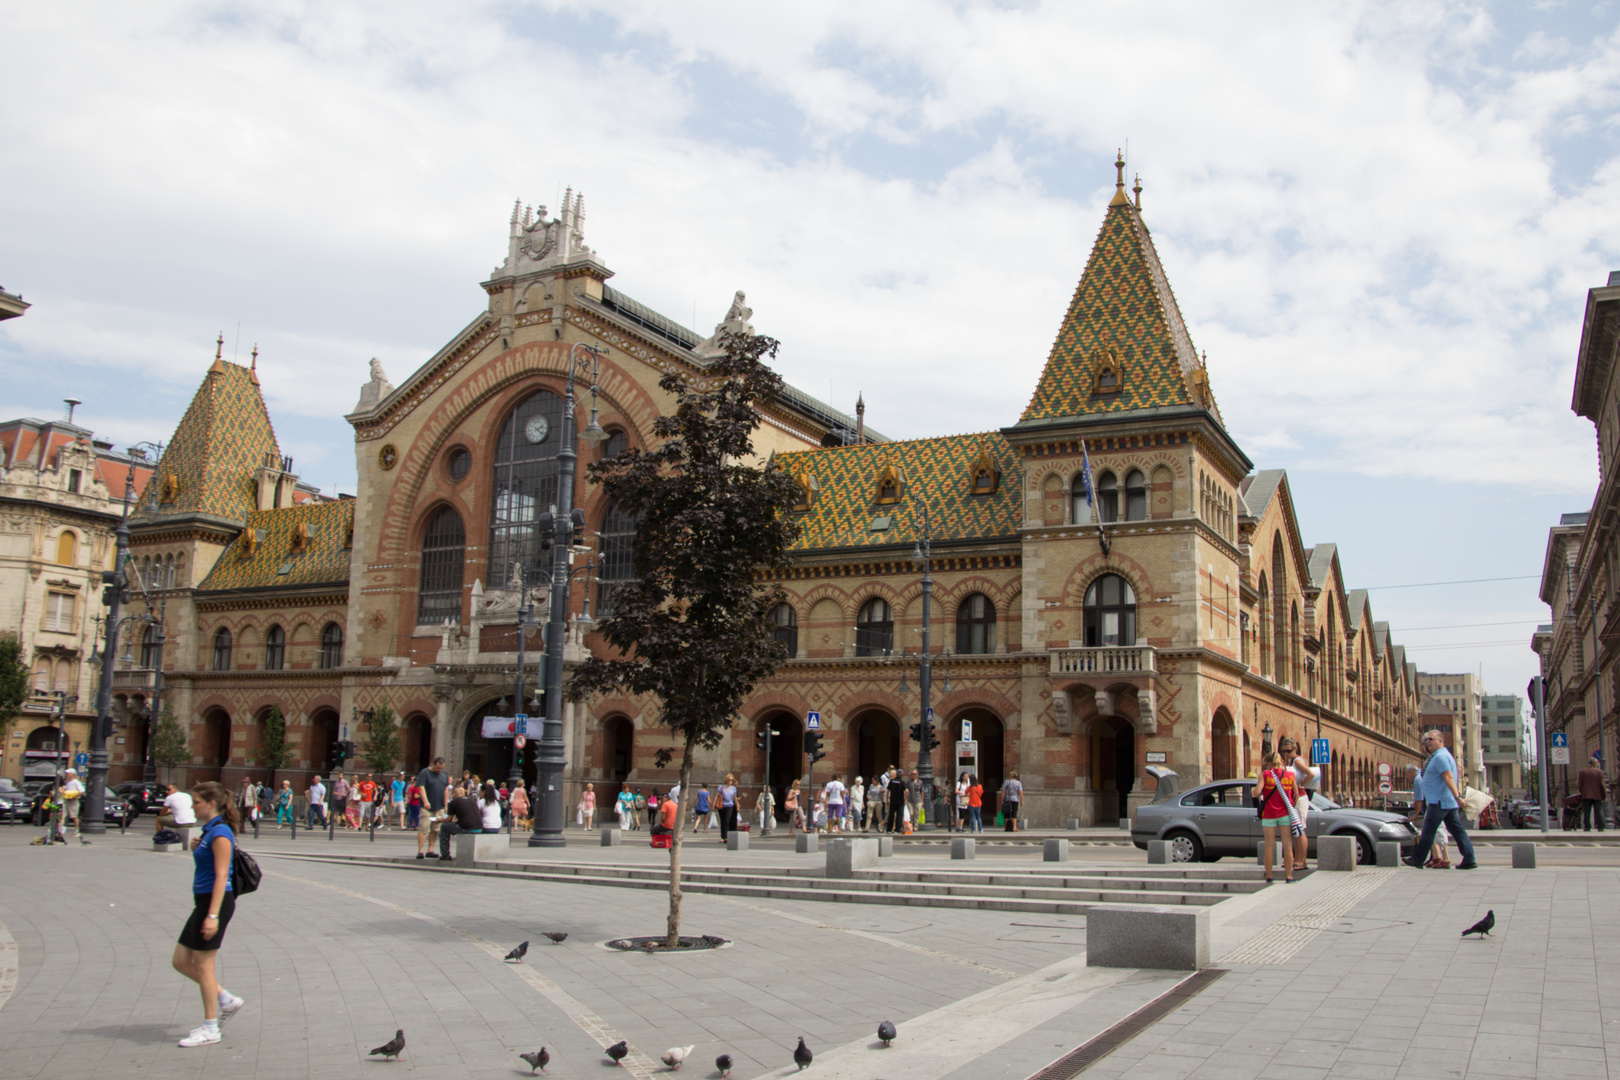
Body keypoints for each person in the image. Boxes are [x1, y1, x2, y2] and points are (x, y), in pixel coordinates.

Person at [172, 781, 244, 1047]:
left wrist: (212, 916)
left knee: (203, 967)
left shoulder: (221, 832)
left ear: (211, 803)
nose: (193, 806)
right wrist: (198, 847)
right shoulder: (209, 830)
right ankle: (226, 999)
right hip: (203, 902)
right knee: (180, 960)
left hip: (215, 903)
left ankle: (211, 1027)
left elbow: (222, 875)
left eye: (197, 802)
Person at [1405, 729, 1478, 870]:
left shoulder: (1440, 757)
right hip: (1445, 801)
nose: (1428, 742)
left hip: (1438, 801)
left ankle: (1418, 859)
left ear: (1440, 740)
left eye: (1431, 739)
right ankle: (1469, 859)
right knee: (1457, 831)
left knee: (1428, 830)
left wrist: (1458, 798)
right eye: (1427, 740)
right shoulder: (1441, 756)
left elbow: (1448, 778)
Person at [1256, 750, 1299, 883]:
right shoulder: (1290, 775)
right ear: (1280, 762)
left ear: (1268, 764)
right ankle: (1288, 876)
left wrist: (1256, 792)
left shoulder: (1266, 774)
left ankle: (1269, 876)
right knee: (1287, 845)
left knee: (1269, 845)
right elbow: (1296, 794)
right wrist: (1291, 804)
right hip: (1285, 813)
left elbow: (1257, 792)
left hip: (1269, 814)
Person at [1278, 736, 1318, 869]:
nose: (1286, 754)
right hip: (1295, 798)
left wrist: (1301, 785)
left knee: (1300, 829)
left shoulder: (1297, 761)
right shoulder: (1291, 762)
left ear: (1295, 749)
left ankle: (1303, 861)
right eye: (1284, 751)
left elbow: (1311, 774)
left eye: (1288, 751)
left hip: (1300, 798)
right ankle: (1297, 859)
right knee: (1296, 829)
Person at [415, 757, 449, 860]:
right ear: (433, 764)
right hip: (427, 807)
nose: (439, 770)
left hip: (439, 807)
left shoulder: (444, 774)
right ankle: (420, 851)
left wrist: (446, 805)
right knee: (424, 828)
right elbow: (421, 787)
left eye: (441, 768)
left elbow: (446, 789)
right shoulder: (425, 772)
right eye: (438, 768)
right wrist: (425, 801)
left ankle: (430, 850)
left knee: (435, 829)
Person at [440, 785, 483, 857]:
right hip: (479, 828)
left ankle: (445, 855)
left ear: (453, 794)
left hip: (467, 828)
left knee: (444, 827)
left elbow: (449, 819)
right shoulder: (471, 800)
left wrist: (439, 820)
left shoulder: (453, 802)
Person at [1578, 756, 1608, 832]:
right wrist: (1605, 796)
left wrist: (1582, 792)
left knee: (1587, 811)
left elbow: (1580, 784)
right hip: (1597, 795)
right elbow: (1602, 785)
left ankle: (1587, 827)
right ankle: (1600, 827)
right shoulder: (1600, 772)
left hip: (1586, 795)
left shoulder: (1583, 772)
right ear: (1595, 763)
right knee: (1598, 811)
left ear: (1590, 764)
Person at [60, 768, 84, 837]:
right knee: (62, 815)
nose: (66, 775)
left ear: (72, 774)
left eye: (68, 773)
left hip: (73, 801)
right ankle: (60, 830)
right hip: (66, 800)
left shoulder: (76, 782)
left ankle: (76, 830)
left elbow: (82, 791)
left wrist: (74, 797)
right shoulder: (67, 782)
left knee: (74, 816)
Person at [886, 767, 908, 833]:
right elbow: (906, 791)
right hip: (900, 801)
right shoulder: (902, 782)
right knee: (899, 815)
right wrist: (905, 799)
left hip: (892, 800)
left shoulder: (891, 781)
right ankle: (897, 830)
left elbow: (888, 791)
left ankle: (889, 829)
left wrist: (887, 799)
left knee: (891, 815)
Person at [718, 774, 739, 841]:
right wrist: (713, 805)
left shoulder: (733, 788)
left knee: (727, 821)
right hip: (722, 806)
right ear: (726, 780)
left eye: (731, 780)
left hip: (730, 806)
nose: (730, 781)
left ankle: (726, 837)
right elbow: (717, 796)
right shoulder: (721, 787)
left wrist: (737, 805)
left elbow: (734, 798)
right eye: (729, 780)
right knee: (723, 821)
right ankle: (722, 836)